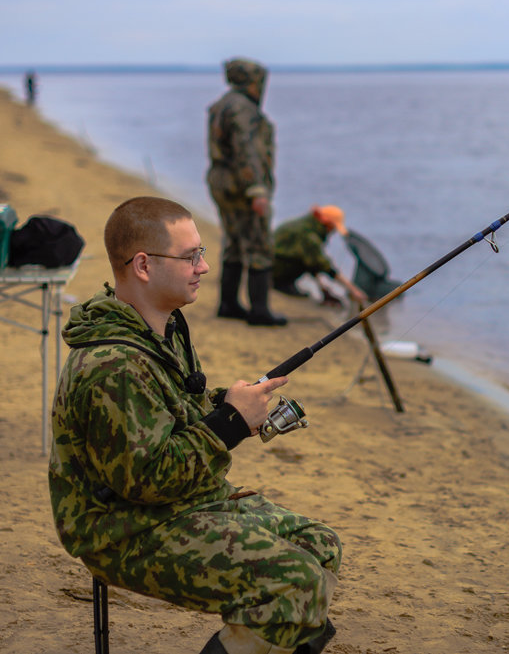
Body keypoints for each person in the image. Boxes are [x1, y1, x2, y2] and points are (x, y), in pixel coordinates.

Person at [48, 197, 340, 654]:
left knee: (320, 544)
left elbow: (177, 403)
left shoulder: (160, 326)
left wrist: (227, 400)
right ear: (143, 265)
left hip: (181, 499)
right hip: (122, 525)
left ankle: (283, 638)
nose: (204, 267)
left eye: (201, 253)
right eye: (190, 257)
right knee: (292, 581)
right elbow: (146, 481)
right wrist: (230, 424)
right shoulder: (112, 366)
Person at [207, 58, 286, 326]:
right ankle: (259, 310)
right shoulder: (243, 109)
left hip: (221, 181)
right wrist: (257, 190)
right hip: (240, 184)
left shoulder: (222, 104)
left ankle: (228, 304)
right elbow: (247, 149)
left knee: (233, 240)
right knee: (258, 242)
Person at [272, 206, 368, 305]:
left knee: (309, 260)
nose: (333, 231)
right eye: (333, 227)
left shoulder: (307, 224)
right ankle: (281, 284)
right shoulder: (309, 236)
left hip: (275, 262)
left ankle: (285, 283)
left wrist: (323, 289)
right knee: (309, 261)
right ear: (327, 223)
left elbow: (312, 262)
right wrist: (353, 289)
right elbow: (324, 265)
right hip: (275, 267)